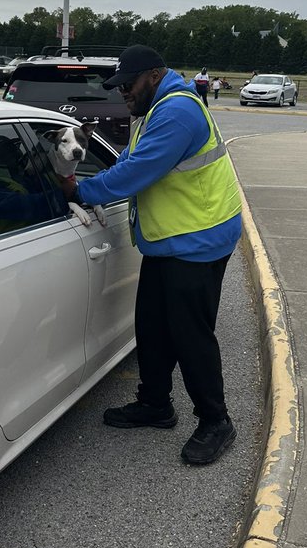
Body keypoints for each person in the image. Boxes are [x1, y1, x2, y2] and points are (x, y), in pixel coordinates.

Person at [59, 45, 243, 466]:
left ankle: (217, 421)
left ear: (154, 75)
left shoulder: (177, 111)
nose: (122, 92)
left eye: (127, 83)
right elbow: (130, 159)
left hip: (199, 238)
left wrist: (80, 191)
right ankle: (156, 404)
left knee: (190, 335)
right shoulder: (156, 108)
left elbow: (139, 171)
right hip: (170, 239)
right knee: (153, 326)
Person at [0, 134, 59, 236]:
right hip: (6, 247)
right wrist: (63, 194)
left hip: (40, 237)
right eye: (8, 153)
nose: (18, 154)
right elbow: (27, 207)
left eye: (15, 149)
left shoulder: (24, 177)